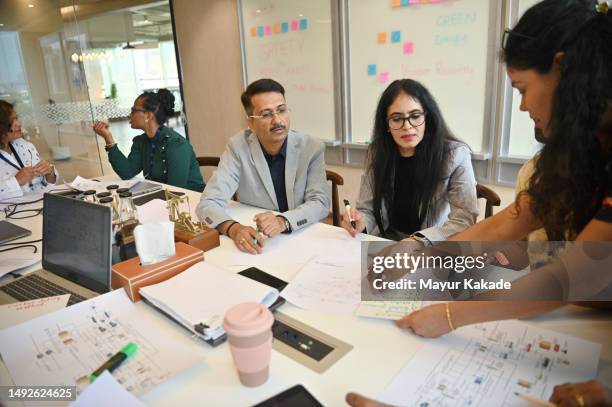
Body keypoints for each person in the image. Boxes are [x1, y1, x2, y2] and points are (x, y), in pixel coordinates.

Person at [348, 0, 612, 404]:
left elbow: (575, 275)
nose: (522, 106)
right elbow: (505, 224)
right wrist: (425, 260)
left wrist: (453, 315)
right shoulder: (583, 148)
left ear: (563, 69)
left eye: (522, 89)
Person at [196, 78, 330, 254]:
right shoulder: (238, 147)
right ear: (251, 123)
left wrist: (283, 221)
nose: (277, 120)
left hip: (301, 239)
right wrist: (234, 229)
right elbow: (208, 203)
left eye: (281, 110)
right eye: (266, 114)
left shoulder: (311, 148)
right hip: (261, 244)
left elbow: (320, 203)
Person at [340, 79, 478, 243]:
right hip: (386, 242)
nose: (407, 126)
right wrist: (361, 221)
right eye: (397, 118)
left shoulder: (455, 155)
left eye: (415, 116)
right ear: (386, 124)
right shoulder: (378, 152)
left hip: (432, 244)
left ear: (428, 117)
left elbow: (464, 219)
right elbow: (367, 209)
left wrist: (419, 241)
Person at [92, 89, 204, 192]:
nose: (130, 114)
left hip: (190, 202)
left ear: (148, 115)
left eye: (134, 110)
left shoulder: (176, 145)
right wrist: (108, 138)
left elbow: (175, 190)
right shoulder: (141, 141)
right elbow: (127, 172)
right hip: (161, 198)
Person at [0, 100, 58, 201]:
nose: (18, 124)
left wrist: (50, 174)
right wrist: (17, 181)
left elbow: (47, 182)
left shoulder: (23, 145)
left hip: (41, 205)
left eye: (16, 118)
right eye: (11, 121)